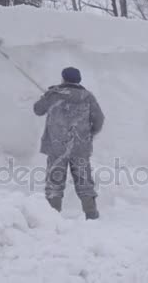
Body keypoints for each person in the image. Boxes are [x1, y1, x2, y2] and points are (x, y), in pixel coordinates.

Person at [33, 67, 105, 220]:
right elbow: (99, 119)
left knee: (54, 182)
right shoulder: (87, 97)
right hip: (80, 147)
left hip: (56, 146)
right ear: (78, 80)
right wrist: (89, 134)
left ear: (63, 79)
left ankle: (52, 217)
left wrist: (46, 97)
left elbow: (38, 110)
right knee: (84, 180)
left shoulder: (54, 95)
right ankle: (91, 214)